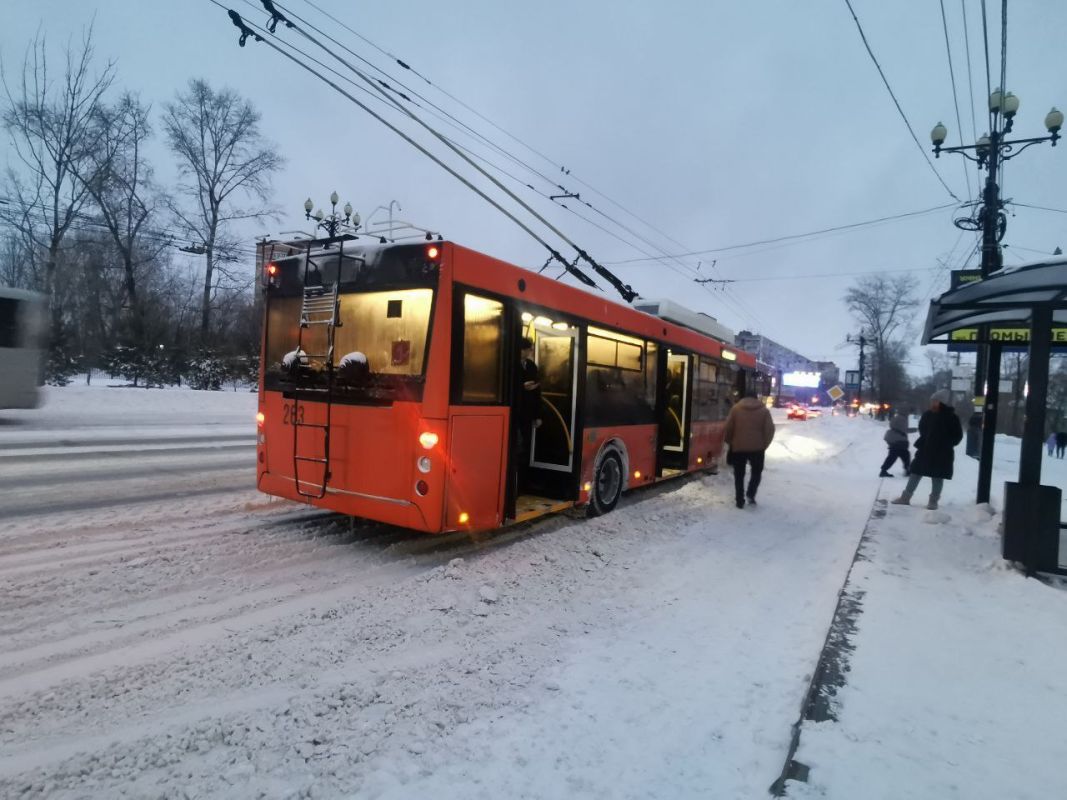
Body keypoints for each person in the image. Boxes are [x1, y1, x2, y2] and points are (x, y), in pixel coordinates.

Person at [891, 389, 963, 510]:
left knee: (937, 477)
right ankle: (905, 498)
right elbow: (922, 428)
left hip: (942, 452)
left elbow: (957, 436)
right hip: (926, 449)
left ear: (942, 402)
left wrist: (946, 444)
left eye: (935, 401)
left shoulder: (952, 418)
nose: (932, 403)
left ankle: (933, 501)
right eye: (932, 401)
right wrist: (926, 439)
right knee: (916, 472)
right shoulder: (928, 414)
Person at [724, 389, 776, 509]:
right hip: (757, 449)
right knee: (756, 473)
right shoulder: (764, 411)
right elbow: (770, 430)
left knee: (739, 475)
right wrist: (764, 444)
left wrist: (730, 441)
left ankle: (739, 500)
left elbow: (728, 428)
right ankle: (751, 494)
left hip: (739, 448)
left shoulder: (736, 409)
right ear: (756, 397)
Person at [515, 337, 542, 483]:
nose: (531, 351)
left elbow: (538, 392)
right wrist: (522, 387)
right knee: (516, 446)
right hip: (514, 412)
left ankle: (523, 481)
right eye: (529, 349)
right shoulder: (510, 362)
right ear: (522, 350)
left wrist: (538, 416)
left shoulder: (531, 365)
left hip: (528, 412)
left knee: (525, 446)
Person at [880, 410, 911, 477]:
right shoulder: (902, 419)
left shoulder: (896, 417)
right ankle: (883, 471)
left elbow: (893, 426)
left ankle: (883, 470)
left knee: (901, 455)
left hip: (894, 439)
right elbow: (904, 429)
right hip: (899, 440)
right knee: (898, 456)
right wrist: (916, 429)